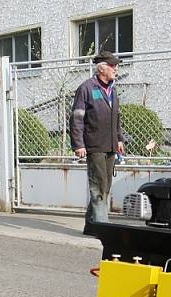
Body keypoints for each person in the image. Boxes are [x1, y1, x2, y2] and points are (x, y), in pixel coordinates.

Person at [71, 50, 125, 223]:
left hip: (110, 145)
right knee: (99, 186)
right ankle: (103, 227)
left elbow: (116, 116)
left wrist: (119, 139)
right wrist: (79, 144)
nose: (116, 69)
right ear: (101, 69)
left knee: (105, 185)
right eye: (112, 65)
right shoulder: (86, 88)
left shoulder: (113, 90)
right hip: (94, 145)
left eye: (116, 65)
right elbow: (77, 118)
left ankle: (91, 225)